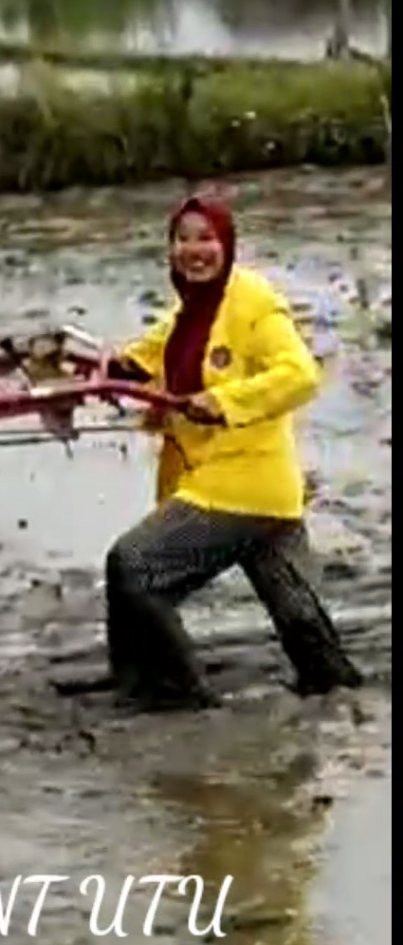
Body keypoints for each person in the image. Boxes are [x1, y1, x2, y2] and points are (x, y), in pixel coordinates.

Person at [99, 193, 362, 710]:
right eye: (183, 238)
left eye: (206, 238)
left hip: (241, 486)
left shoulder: (254, 303)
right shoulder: (192, 309)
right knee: (301, 622)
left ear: (228, 243)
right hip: (250, 490)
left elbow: (298, 375)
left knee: (134, 567)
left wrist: (222, 402)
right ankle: (340, 695)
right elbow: (153, 352)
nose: (194, 250)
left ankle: (172, 696)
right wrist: (108, 367)